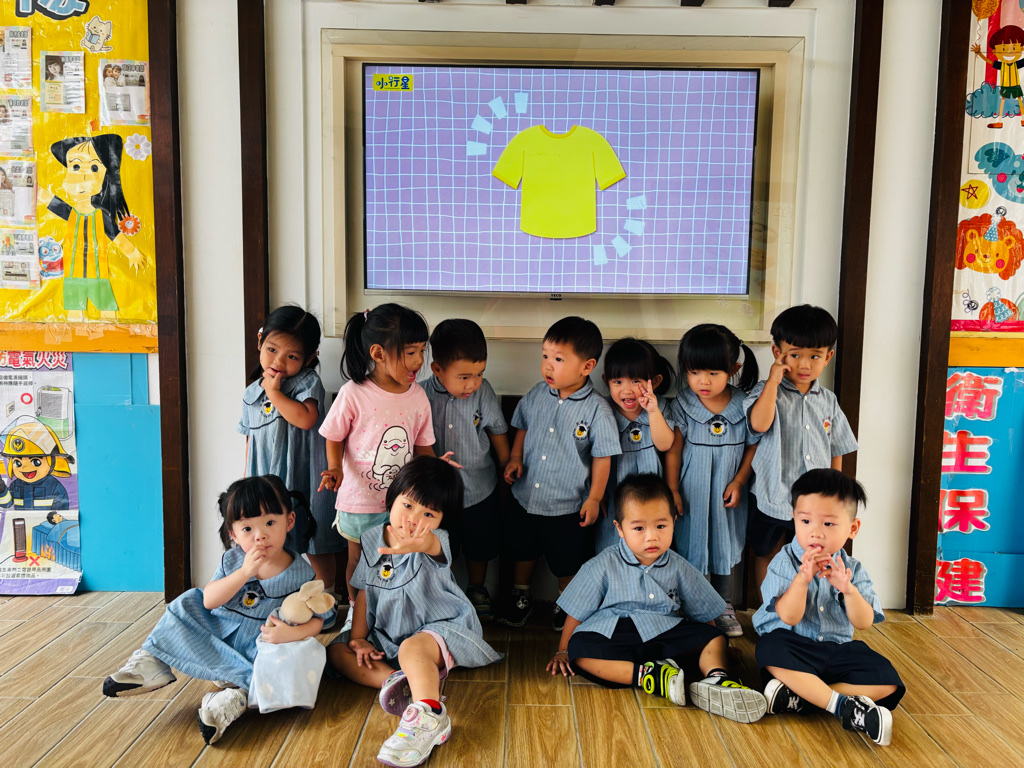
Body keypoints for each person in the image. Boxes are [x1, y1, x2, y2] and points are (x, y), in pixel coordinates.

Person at [101, 476, 333, 744]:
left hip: (259, 649)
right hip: (217, 635)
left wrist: (292, 635)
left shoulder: (301, 573)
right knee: (187, 601)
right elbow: (209, 601)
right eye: (247, 528)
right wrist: (244, 573)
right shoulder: (233, 560)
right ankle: (153, 662)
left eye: (270, 523)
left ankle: (233, 698)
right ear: (233, 534)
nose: (260, 535)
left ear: (289, 521)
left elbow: (319, 620)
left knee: (301, 651)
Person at [547, 473, 766, 723]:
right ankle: (650, 676)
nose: (651, 537)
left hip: (665, 631)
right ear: (620, 528)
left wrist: (717, 647)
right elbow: (577, 610)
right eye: (639, 528)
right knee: (580, 649)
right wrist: (563, 650)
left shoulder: (679, 566)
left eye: (661, 526)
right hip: (616, 632)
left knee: (715, 636)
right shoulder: (603, 564)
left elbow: (702, 611)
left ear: (673, 522)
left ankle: (716, 679)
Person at [328, 457, 502, 768]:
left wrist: (423, 542)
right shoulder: (371, 539)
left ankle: (429, 713)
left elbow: (432, 545)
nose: (414, 520)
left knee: (413, 647)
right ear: (392, 498)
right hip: (387, 631)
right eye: (407, 506)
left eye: (428, 514)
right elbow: (366, 592)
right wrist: (358, 638)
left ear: (442, 520)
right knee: (337, 651)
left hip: (439, 628)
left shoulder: (436, 541)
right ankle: (397, 681)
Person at [318, 304, 449, 635]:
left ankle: (391, 612)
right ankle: (355, 611)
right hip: (359, 501)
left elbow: (423, 446)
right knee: (358, 560)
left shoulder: (418, 396)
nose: (419, 361)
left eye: (422, 351)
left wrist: (437, 468)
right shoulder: (353, 394)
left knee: (395, 558)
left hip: (402, 504)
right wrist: (334, 468)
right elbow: (333, 436)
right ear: (378, 353)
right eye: (410, 352)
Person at [753, 469, 904, 746]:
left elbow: (863, 622)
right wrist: (801, 580)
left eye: (829, 524)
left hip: (837, 650)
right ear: (794, 519)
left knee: (888, 679)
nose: (815, 532)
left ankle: (803, 698)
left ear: (852, 529)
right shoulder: (784, 562)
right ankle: (842, 705)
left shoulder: (853, 569)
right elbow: (789, 616)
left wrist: (848, 590)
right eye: (806, 521)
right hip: (795, 648)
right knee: (769, 648)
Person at [501, 316, 621, 630]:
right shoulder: (537, 394)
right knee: (523, 550)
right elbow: (522, 426)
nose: (548, 366)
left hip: (568, 505)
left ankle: (566, 602)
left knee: (567, 560)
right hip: (526, 496)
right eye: (545, 356)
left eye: (558, 359)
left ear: (587, 366)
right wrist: (515, 458)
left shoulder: (597, 409)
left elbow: (603, 458)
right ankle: (521, 594)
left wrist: (594, 498)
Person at [744, 305, 858, 590]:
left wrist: (836, 492)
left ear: (828, 357)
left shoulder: (828, 400)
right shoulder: (766, 392)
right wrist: (773, 381)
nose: (804, 365)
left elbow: (836, 448)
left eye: (814, 356)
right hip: (773, 495)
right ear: (777, 353)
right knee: (768, 553)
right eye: (795, 355)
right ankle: (770, 609)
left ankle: (806, 608)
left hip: (816, 503)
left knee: (812, 554)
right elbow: (758, 425)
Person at [238, 305, 343, 608]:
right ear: (260, 341)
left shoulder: (307, 382)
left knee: (315, 537)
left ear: (309, 358)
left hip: (304, 476)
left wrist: (275, 393)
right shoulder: (251, 394)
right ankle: (274, 595)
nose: (279, 362)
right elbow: (251, 440)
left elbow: (306, 419)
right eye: (272, 350)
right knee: (267, 537)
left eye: (292, 356)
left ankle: (328, 596)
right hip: (266, 481)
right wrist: (246, 482)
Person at [665, 324, 759, 638]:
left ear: (734, 369)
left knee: (725, 546)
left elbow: (752, 446)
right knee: (693, 546)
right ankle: (696, 608)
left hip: (727, 493)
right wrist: (673, 489)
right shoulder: (683, 404)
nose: (702, 381)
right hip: (692, 491)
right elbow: (674, 450)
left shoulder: (744, 404)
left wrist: (740, 481)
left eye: (713, 373)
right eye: (694, 372)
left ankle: (723, 606)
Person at [424, 319, 510, 621]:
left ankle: (476, 588)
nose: (472, 383)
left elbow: (496, 429)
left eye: (479, 374)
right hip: (438, 494)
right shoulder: (420, 395)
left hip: (479, 486)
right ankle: (443, 591)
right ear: (437, 369)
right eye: (464, 377)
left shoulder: (482, 392)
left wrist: (507, 462)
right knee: (442, 545)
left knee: (479, 543)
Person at [595, 337, 675, 553]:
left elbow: (665, 444)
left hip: (652, 493)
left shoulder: (660, 407)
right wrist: (596, 493)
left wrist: (653, 411)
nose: (627, 390)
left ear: (654, 382)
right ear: (606, 381)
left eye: (636, 381)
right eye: (617, 382)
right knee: (612, 541)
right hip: (613, 491)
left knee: (649, 539)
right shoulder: (602, 410)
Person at [971, 25, 1024, 129]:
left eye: (1014, 48)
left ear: (1021, 48)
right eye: (1003, 48)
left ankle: (1022, 120)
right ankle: (999, 122)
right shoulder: (1002, 65)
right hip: (1005, 86)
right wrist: (979, 53)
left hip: (1016, 85)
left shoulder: (1016, 64)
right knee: (1002, 102)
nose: (1009, 52)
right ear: (995, 51)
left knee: (1019, 100)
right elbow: (990, 61)